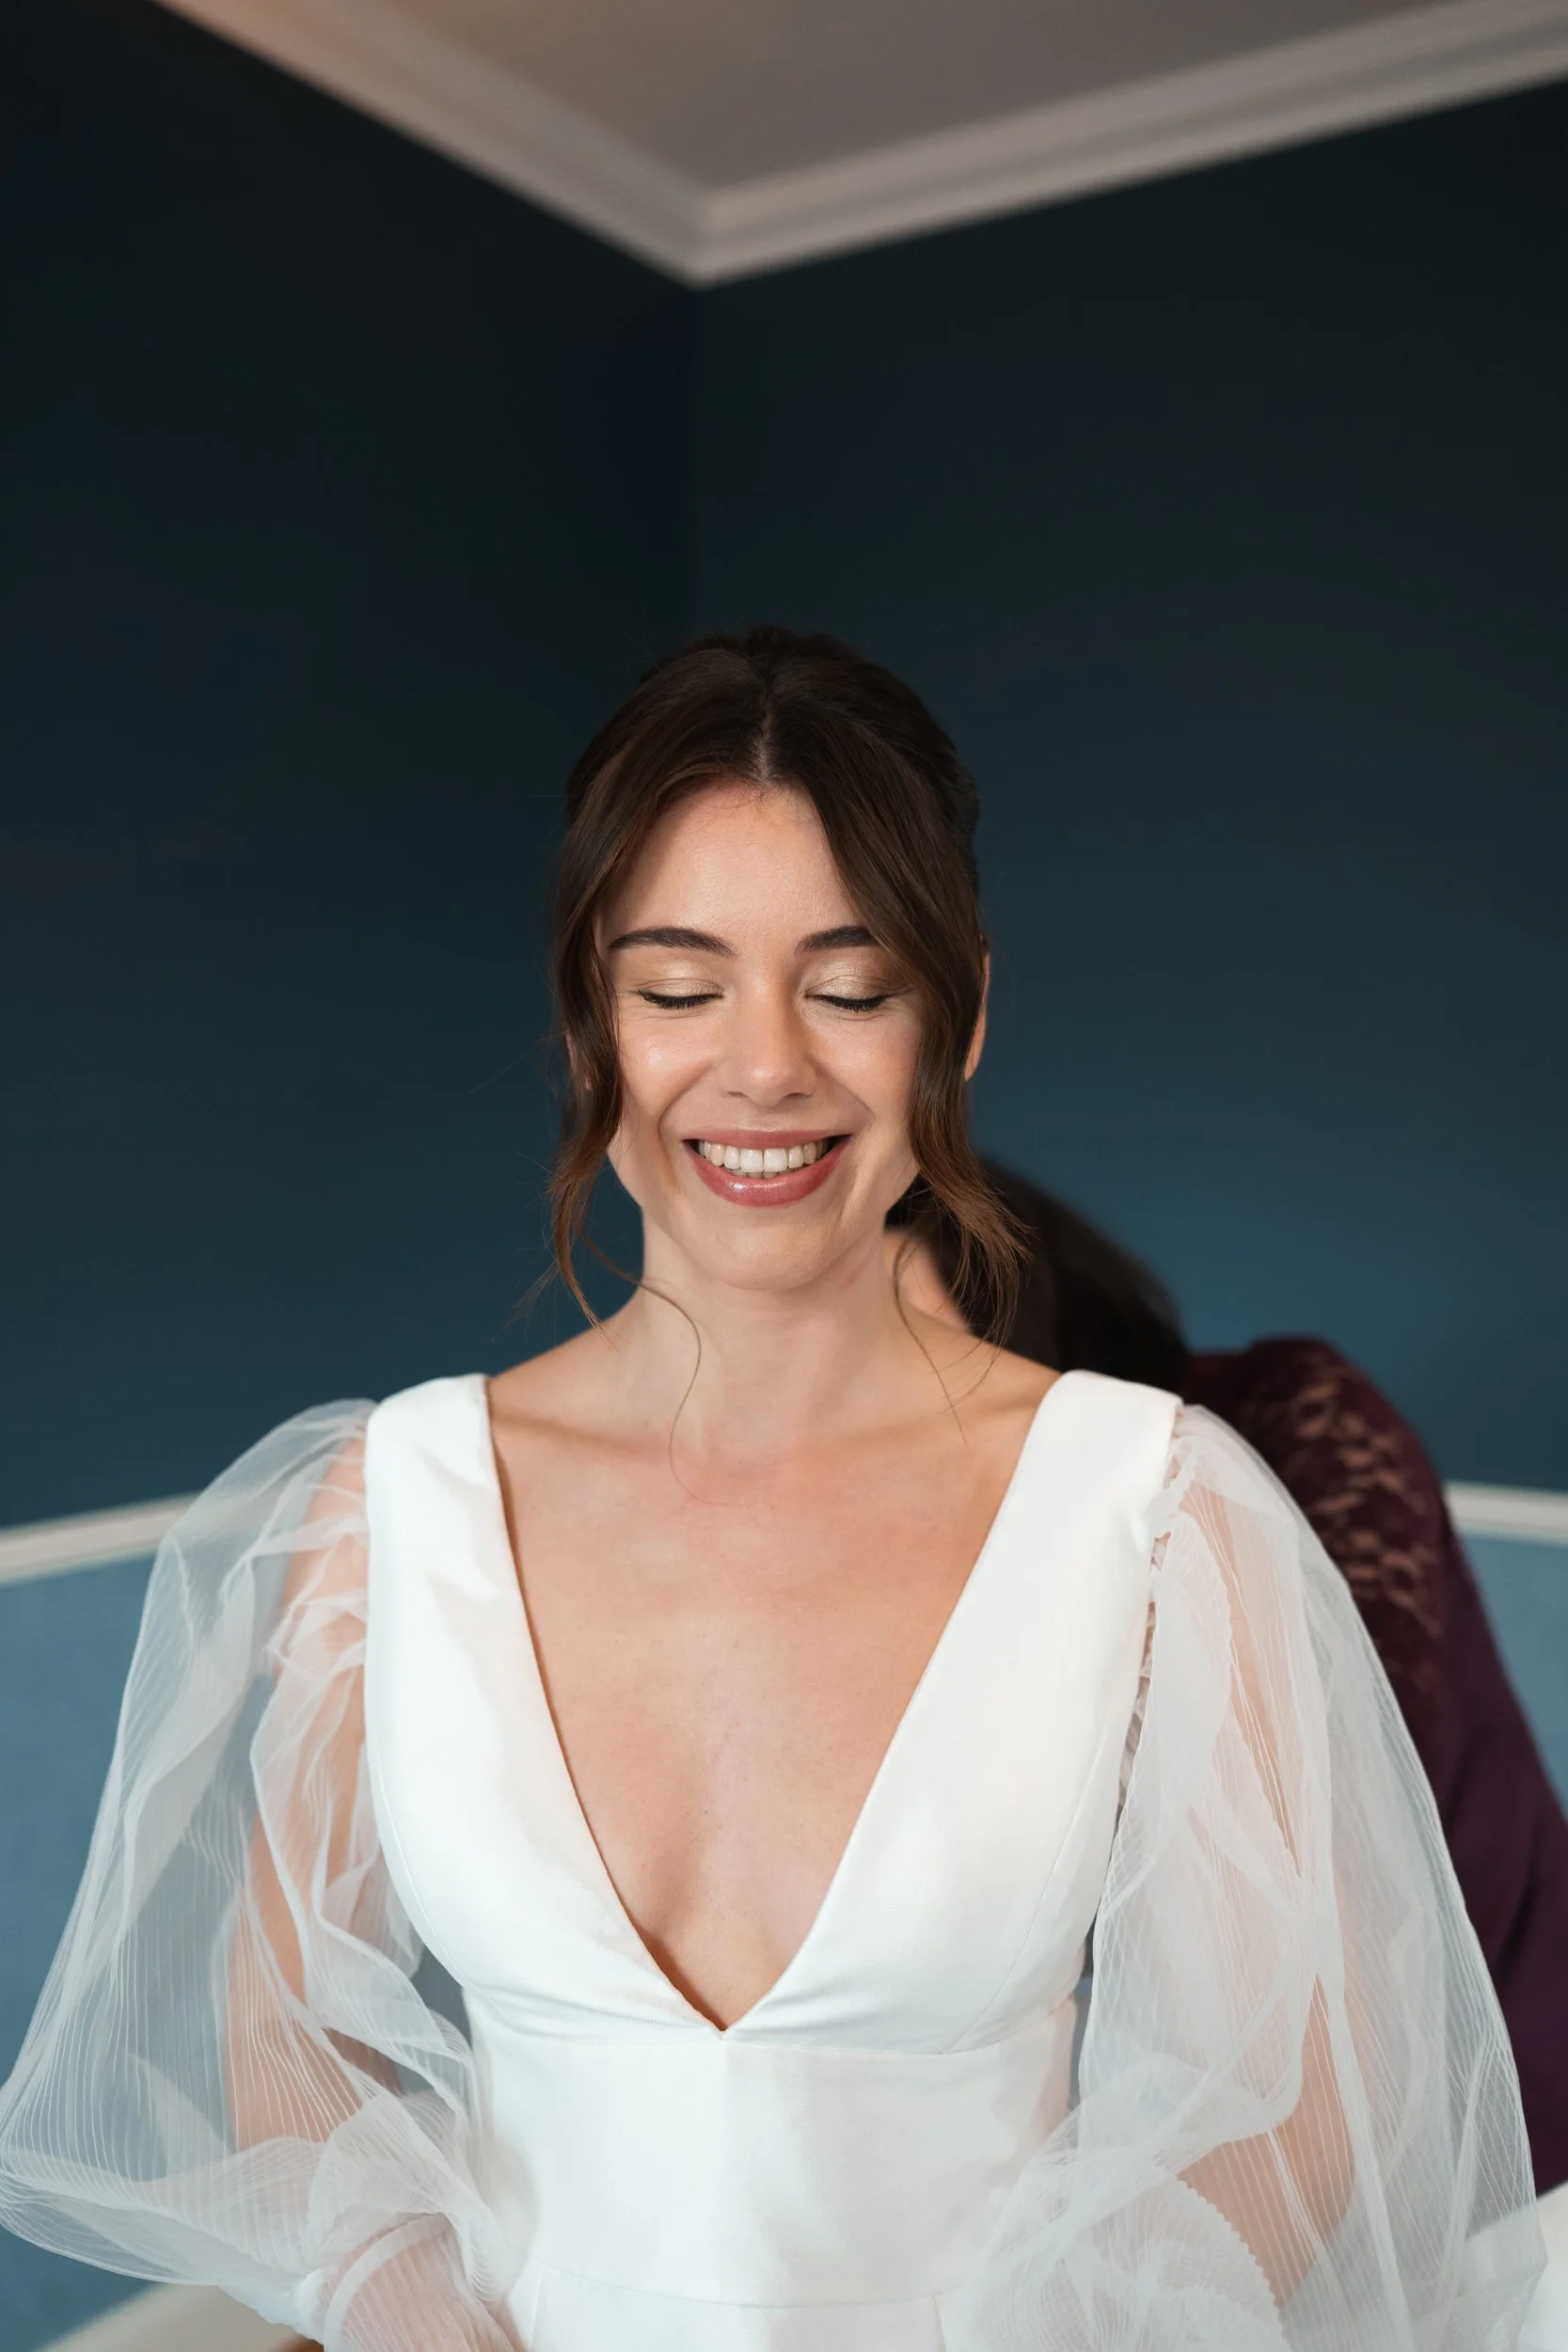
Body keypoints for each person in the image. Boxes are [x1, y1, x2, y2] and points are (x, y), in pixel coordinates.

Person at [0, 628, 1547, 2351]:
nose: (761, 1069)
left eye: (848, 982)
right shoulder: (387, 1511)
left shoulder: (1163, 1517)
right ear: (591, 1019)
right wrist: (406, 2304)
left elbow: (1301, 2103)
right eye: (678, 988)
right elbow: (272, 2040)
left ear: (958, 1016)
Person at [892, 1166, 1568, 2201]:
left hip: (1488, 2092)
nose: (878, 1406)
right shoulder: (901, 1543)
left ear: (1012, 1303)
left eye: (913, 1345)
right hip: (1150, 2142)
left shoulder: (1283, 1413)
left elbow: (1345, 1794)